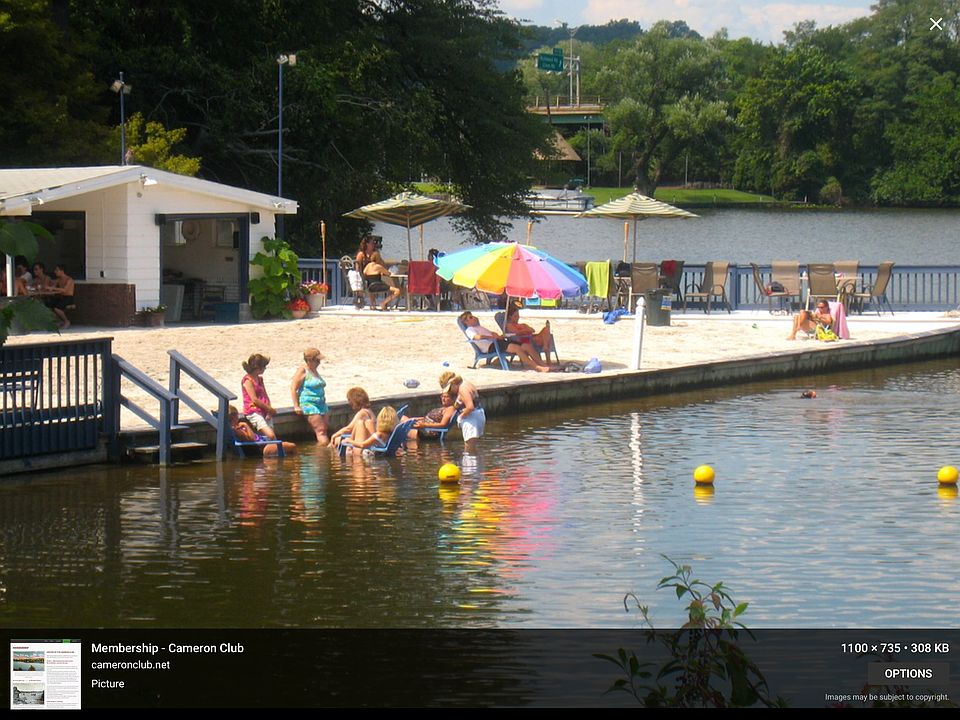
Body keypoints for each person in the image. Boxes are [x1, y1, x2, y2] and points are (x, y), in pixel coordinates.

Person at [459, 311, 556, 372]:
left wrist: (497, 335)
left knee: (526, 345)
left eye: (472, 316)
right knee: (517, 348)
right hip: (492, 346)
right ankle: (536, 367)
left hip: (497, 342)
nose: (474, 317)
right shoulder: (469, 329)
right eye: (470, 317)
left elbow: (491, 333)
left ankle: (543, 364)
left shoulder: (479, 327)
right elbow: (477, 337)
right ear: (466, 322)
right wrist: (492, 336)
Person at [290, 347, 329, 445]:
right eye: (317, 360)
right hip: (309, 404)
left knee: (324, 431)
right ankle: (322, 456)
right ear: (309, 360)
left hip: (321, 404)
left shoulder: (314, 370)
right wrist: (296, 405)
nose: (319, 363)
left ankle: (320, 453)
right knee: (321, 432)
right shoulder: (303, 371)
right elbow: (293, 388)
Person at [439, 371, 484, 453]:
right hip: (478, 414)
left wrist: (461, 416)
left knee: (469, 447)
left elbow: (470, 407)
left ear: (453, 383)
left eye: (450, 389)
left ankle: (470, 465)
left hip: (471, 419)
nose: (450, 391)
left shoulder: (462, 389)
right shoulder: (466, 383)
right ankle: (474, 463)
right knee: (472, 446)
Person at [228, 405, 296, 457]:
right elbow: (252, 439)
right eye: (237, 415)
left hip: (263, 444)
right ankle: (296, 469)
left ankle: (289, 463)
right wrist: (246, 426)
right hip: (262, 448)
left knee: (289, 451)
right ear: (234, 417)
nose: (238, 417)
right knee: (293, 446)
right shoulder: (237, 430)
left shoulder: (237, 427)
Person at [355, 236, 401, 311]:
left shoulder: (375, 254)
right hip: (366, 276)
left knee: (376, 284)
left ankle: (375, 304)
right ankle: (382, 303)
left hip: (372, 276)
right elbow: (357, 265)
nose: (374, 244)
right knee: (392, 287)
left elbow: (380, 263)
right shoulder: (361, 254)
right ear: (367, 244)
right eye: (372, 243)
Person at [241, 353, 278, 439]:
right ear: (257, 368)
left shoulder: (260, 379)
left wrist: (269, 410)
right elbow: (254, 399)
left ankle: (270, 450)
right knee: (271, 435)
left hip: (264, 409)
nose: (265, 368)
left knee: (271, 437)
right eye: (264, 366)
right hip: (253, 410)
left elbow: (265, 395)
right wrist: (269, 409)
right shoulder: (247, 380)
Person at [47, 264, 75, 329]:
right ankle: (59, 321)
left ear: (62, 271)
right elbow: (53, 286)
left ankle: (66, 321)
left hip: (68, 298)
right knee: (49, 305)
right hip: (61, 297)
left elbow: (64, 290)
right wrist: (50, 287)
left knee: (57, 308)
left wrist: (53, 288)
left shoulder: (69, 279)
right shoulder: (58, 280)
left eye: (57, 270)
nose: (55, 272)